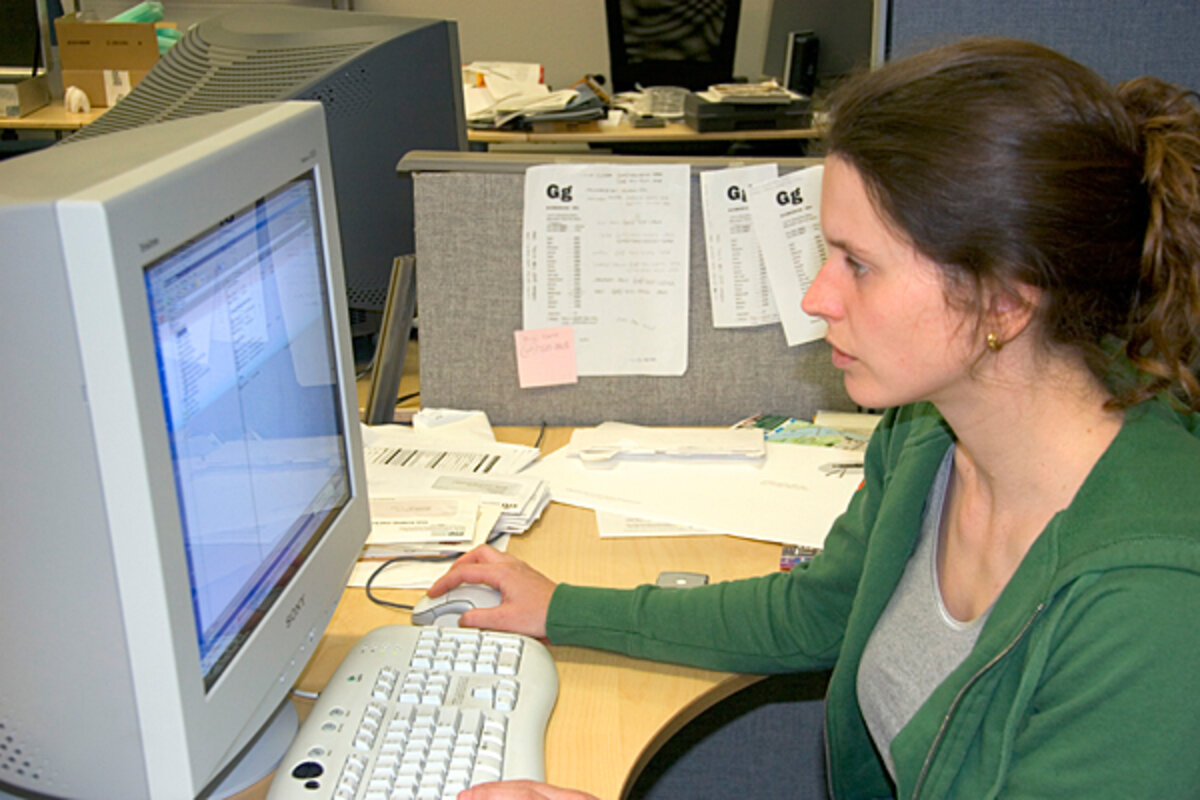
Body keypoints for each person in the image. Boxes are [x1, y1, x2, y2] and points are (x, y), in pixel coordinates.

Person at [431, 37, 1200, 799]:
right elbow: (817, 611)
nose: (816, 298)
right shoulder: (930, 435)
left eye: (858, 264)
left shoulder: (1151, 601)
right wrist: (564, 608)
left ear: (1003, 301)